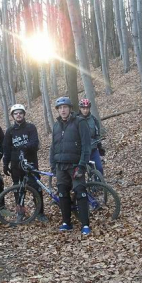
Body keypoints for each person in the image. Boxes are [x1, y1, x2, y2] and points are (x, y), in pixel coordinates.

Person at [49, 96, 92, 235]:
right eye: (60, 108)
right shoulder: (56, 126)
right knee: (62, 194)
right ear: (58, 110)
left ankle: (85, 224)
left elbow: (86, 146)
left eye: (65, 107)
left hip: (75, 165)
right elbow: (53, 147)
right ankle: (66, 223)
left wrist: (82, 165)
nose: (63, 110)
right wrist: (53, 165)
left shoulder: (80, 122)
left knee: (80, 192)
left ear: (70, 109)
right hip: (60, 166)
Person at [3, 104, 48, 223]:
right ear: (13, 116)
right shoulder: (10, 131)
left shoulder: (30, 127)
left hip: (30, 163)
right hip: (16, 164)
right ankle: (20, 213)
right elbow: (6, 148)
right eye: (16, 113)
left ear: (24, 114)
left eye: (20, 113)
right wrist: (5, 164)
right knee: (18, 189)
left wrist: (24, 147)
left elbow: (35, 143)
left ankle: (40, 212)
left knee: (36, 187)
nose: (18, 115)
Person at [77, 98, 104, 175]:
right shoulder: (76, 120)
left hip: (93, 149)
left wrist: (100, 147)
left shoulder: (94, 120)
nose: (85, 110)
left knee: (99, 168)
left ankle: (99, 182)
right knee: (80, 172)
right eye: (83, 108)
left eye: (87, 108)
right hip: (81, 151)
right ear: (80, 108)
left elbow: (97, 134)